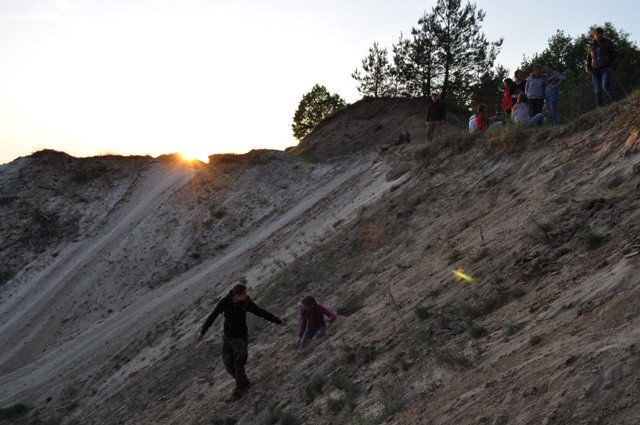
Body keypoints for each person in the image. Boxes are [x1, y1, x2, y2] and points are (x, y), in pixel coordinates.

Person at [197, 283, 286, 402]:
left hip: (241, 339)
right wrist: (203, 332)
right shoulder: (225, 302)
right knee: (229, 365)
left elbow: (260, 312)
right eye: (244, 293)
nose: (246, 295)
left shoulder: (246, 302)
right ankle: (244, 382)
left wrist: (277, 321)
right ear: (237, 295)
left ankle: (239, 392)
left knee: (239, 365)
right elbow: (213, 316)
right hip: (228, 339)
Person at [586, 27, 618, 107]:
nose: (599, 35)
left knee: (605, 87)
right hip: (594, 70)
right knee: (597, 90)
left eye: (601, 33)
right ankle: (600, 108)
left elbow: (614, 55)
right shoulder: (591, 46)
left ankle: (616, 103)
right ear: (594, 35)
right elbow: (589, 59)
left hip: (606, 68)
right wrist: (588, 68)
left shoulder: (608, 42)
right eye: (597, 33)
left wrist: (613, 65)